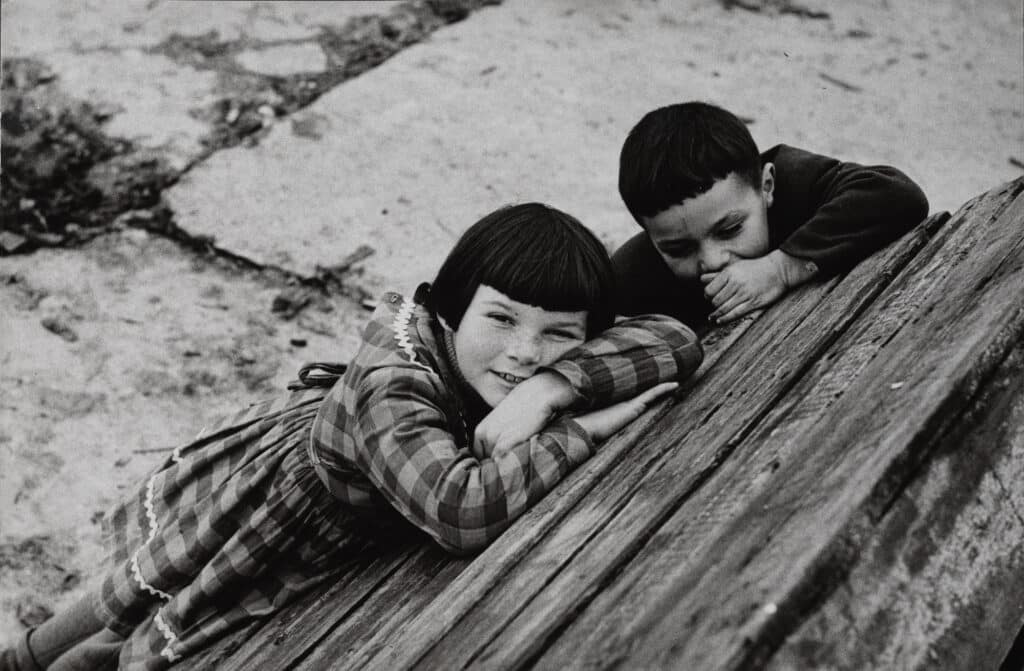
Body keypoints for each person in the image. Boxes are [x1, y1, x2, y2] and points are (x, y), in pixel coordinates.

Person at [1, 203, 702, 670]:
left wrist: (554, 388)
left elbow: (672, 335)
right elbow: (462, 511)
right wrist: (576, 428)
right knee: (155, 584)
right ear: (451, 311)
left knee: (151, 601)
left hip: (362, 505)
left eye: (558, 335)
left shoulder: (532, 367)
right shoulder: (392, 384)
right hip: (287, 509)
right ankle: (31, 656)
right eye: (503, 319)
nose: (525, 351)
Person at [612, 101, 929, 329]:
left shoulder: (796, 181)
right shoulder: (632, 274)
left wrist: (780, 269)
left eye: (731, 229)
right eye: (679, 249)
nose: (712, 260)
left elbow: (899, 195)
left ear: (766, 186)